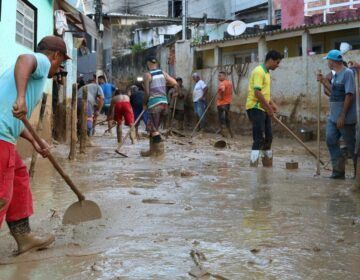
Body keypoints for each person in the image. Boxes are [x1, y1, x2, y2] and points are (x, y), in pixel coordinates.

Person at [0, 35, 69, 255]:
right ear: (55, 55)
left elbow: (11, 119)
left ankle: (24, 236)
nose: (58, 68)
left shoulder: (10, 75)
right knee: (1, 195)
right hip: (1, 141)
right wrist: (21, 97)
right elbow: (24, 59)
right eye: (61, 63)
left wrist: (35, 141)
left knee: (19, 177)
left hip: (5, 136)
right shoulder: (41, 61)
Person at [317, 50, 357, 179]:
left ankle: (357, 175)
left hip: (345, 118)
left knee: (352, 146)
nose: (327, 63)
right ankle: (338, 172)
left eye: (328, 60)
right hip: (333, 118)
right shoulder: (335, 76)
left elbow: (349, 95)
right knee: (330, 140)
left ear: (332, 61)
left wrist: (343, 115)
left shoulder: (348, 73)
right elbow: (334, 92)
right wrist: (323, 81)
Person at [246, 50, 282, 167]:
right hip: (255, 107)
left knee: (269, 136)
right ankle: (253, 165)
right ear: (271, 60)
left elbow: (265, 93)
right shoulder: (259, 71)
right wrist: (269, 109)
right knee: (258, 138)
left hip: (263, 108)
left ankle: (267, 165)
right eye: (277, 62)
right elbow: (257, 93)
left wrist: (272, 104)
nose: (278, 65)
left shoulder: (267, 73)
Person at [141, 56, 179, 157]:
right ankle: (152, 151)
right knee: (153, 128)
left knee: (153, 129)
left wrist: (144, 104)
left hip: (154, 104)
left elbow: (147, 92)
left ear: (148, 64)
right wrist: (176, 92)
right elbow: (175, 83)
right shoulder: (163, 73)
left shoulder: (147, 75)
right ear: (157, 64)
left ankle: (159, 154)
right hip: (164, 104)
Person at [216, 71, 233, 137]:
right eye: (218, 76)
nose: (218, 77)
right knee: (226, 119)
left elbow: (222, 90)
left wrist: (221, 97)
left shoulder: (222, 83)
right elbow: (231, 93)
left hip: (221, 104)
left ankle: (224, 134)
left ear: (224, 76)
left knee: (221, 119)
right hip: (227, 103)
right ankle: (231, 134)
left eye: (220, 76)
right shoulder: (229, 83)